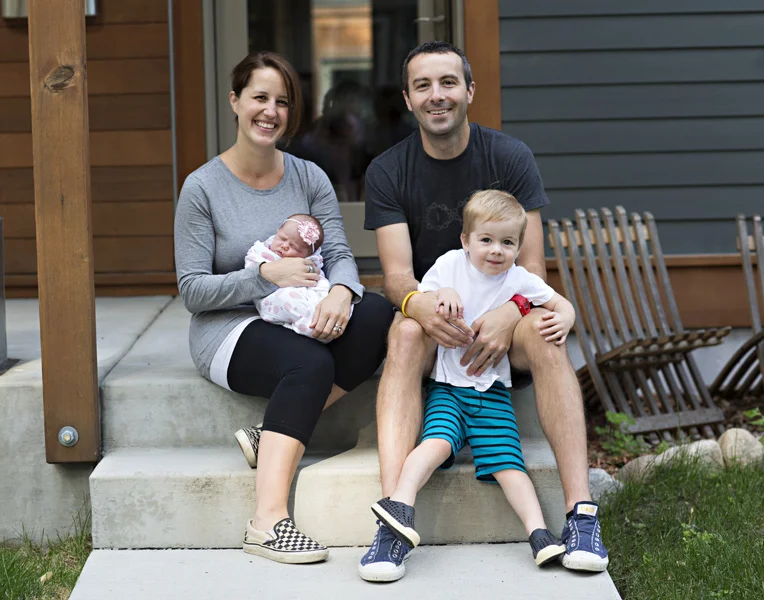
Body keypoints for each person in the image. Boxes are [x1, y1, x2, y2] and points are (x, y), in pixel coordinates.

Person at [359, 41, 609, 582]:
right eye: (423, 85)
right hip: (436, 323)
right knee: (403, 334)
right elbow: (396, 276)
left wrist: (511, 312)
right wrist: (421, 307)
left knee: (545, 332)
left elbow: (533, 268)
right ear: (408, 98)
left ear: (470, 90)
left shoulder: (509, 157)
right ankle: (393, 518)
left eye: (448, 82)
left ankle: (581, 513)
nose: (437, 95)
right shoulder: (388, 170)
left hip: (505, 323)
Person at [174, 51, 394, 565]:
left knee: (377, 314)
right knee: (309, 362)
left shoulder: (309, 177)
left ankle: (270, 434)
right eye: (259, 97)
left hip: (302, 311)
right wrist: (263, 277)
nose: (270, 111)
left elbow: (340, 255)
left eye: (282, 101)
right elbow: (192, 291)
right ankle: (266, 523)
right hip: (228, 327)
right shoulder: (202, 188)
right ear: (235, 101)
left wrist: (343, 292)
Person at [370, 190, 573, 571]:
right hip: (448, 390)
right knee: (434, 445)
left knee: (510, 466)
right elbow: (424, 295)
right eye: (486, 240)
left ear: (518, 247)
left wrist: (566, 317)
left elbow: (560, 303)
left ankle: (539, 534)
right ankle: (399, 504)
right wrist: (443, 292)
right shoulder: (450, 265)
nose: (496, 250)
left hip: (493, 393)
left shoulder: (519, 279)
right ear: (466, 240)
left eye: (507, 242)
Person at [245, 214, 353, 340]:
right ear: (277, 232)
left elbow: (317, 276)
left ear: (307, 254)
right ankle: (312, 326)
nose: (285, 246)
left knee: (326, 294)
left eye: (294, 247)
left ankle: (326, 320)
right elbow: (251, 271)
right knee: (289, 300)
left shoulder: (311, 260)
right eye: (282, 238)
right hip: (275, 293)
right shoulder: (261, 251)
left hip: (306, 288)